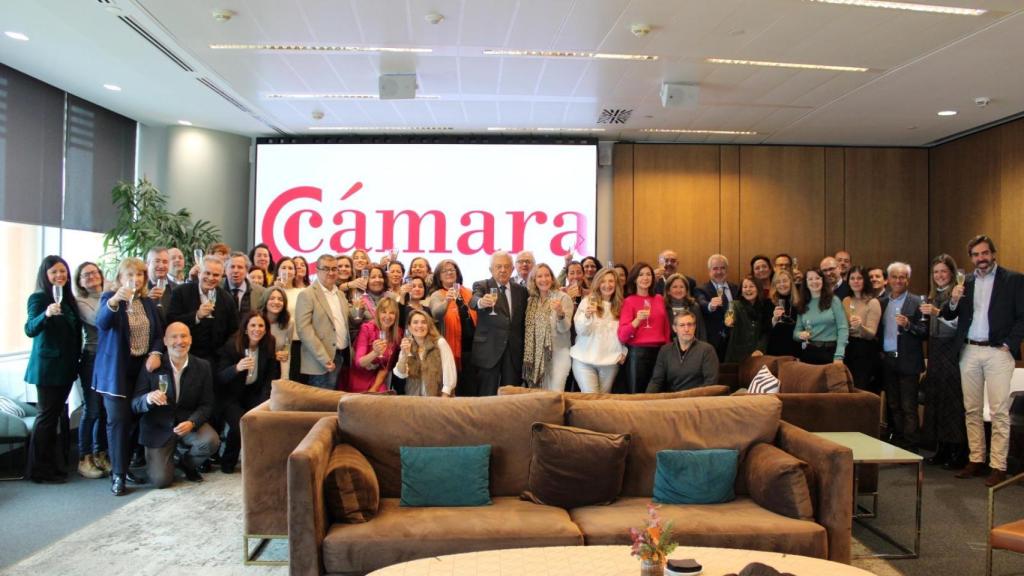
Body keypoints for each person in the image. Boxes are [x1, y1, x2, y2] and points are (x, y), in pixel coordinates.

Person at [943, 235, 1024, 487]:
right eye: (976, 255)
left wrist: (1009, 344)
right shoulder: (964, 282)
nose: (981, 259)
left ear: (993, 253)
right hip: (969, 351)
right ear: (971, 258)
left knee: (999, 412)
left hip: (998, 352)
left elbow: (1022, 316)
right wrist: (954, 299)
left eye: (985, 253)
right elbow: (948, 313)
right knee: (972, 409)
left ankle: (998, 465)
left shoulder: (1013, 280)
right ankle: (976, 459)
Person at [94, 258, 164, 496]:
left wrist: (155, 353)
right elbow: (102, 323)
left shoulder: (147, 302)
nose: (136, 280)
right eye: (130, 275)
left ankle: (125, 464)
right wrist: (114, 300)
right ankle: (118, 476)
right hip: (116, 371)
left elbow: (158, 334)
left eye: (140, 275)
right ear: (120, 278)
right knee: (119, 421)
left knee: (135, 419)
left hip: (142, 370)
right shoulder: (109, 299)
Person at [131, 322, 219, 487]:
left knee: (211, 441)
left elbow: (207, 405)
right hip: (158, 427)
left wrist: (192, 422)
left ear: (191, 339)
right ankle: (167, 459)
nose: (180, 341)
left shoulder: (203, 366)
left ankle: (185, 463)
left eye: (184, 336)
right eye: (174, 337)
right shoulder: (152, 366)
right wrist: (148, 399)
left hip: (186, 422)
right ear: (165, 341)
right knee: (161, 481)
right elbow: (135, 404)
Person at [24, 255, 82, 484]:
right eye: (54, 272)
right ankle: (39, 470)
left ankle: (55, 464)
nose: (60, 276)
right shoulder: (38, 298)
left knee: (57, 416)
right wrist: (46, 314)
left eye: (63, 271)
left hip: (65, 368)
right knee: (46, 418)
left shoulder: (68, 300)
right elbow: (30, 328)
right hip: (48, 369)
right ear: (45, 276)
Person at [216, 311, 279, 473]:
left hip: (254, 392)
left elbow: (270, 377)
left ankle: (257, 460)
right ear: (245, 328)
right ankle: (227, 462)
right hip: (230, 396)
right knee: (239, 426)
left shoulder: (269, 343)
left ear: (265, 329)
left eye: (261, 326)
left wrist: (264, 403)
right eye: (253, 325)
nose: (257, 329)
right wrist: (236, 368)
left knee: (261, 420)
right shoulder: (232, 345)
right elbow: (220, 378)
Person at [920, 254, 967, 470]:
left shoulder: (958, 295)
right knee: (936, 400)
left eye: (943, 271)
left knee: (951, 403)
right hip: (936, 351)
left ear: (951, 273)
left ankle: (956, 451)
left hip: (951, 351)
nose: (939, 275)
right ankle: (940, 449)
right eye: (936, 272)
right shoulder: (933, 296)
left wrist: (938, 313)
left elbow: (958, 326)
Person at [877, 262, 926, 452]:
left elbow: (924, 332)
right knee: (893, 404)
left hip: (909, 361)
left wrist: (908, 326)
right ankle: (899, 441)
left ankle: (912, 445)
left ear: (908, 280)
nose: (898, 280)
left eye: (902, 277)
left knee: (908, 406)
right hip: (887, 360)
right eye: (895, 277)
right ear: (888, 280)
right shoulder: (882, 303)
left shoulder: (917, 302)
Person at [470, 251, 528, 395]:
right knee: (486, 394)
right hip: (489, 350)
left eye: (506, 266)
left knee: (510, 395)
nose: (503, 270)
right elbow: (473, 301)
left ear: (512, 269)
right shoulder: (482, 285)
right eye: (498, 266)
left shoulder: (521, 290)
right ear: (491, 269)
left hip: (513, 351)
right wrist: (482, 302)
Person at [74, 262, 110, 478]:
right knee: (92, 410)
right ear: (79, 281)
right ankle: (84, 457)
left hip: (110, 358)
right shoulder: (80, 301)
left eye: (95, 272)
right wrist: (111, 299)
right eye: (85, 275)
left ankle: (100, 453)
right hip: (92, 358)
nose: (91, 277)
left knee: (105, 410)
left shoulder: (109, 295)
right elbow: (99, 320)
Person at [295, 254, 353, 390]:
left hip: (341, 356)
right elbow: (304, 330)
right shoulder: (307, 294)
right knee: (319, 405)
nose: (331, 272)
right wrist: (323, 357)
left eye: (334, 269)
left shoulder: (340, 294)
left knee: (334, 402)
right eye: (326, 268)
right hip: (321, 361)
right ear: (317, 270)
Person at [167, 255, 238, 363]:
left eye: (216, 275)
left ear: (221, 277)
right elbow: (171, 322)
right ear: (199, 273)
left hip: (216, 360)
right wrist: (197, 316)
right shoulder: (180, 292)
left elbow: (234, 331)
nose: (210, 278)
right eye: (207, 273)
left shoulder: (227, 299)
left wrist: (223, 354)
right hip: (185, 356)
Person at [570, 268, 626, 393]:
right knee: (592, 398)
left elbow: (625, 332)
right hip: (584, 360)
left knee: (603, 401)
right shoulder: (587, 302)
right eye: (603, 281)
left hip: (610, 362)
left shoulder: (621, 305)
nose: (607, 285)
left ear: (616, 284)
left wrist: (624, 350)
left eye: (611, 281)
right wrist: (587, 316)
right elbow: (580, 331)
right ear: (597, 283)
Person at [618, 262, 670, 394]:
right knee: (639, 394)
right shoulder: (628, 301)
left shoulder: (659, 299)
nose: (645, 278)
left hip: (660, 353)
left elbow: (666, 328)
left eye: (648, 274)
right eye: (641, 275)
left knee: (659, 394)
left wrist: (668, 350)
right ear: (634, 279)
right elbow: (622, 335)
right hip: (638, 354)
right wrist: (636, 321)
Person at [427, 259, 477, 395]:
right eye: (444, 270)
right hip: (452, 350)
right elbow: (436, 314)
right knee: (457, 390)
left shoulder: (468, 292)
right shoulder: (437, 295)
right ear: (438, 276)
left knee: (473, 390)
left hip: (473, 349)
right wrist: (447, 301)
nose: (449, 272)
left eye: (452, 270)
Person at [522, 264, 573, 391]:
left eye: (547, 275)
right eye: (539, 276)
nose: (544, 279)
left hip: (559, 355)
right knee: (539, 398)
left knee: (555, 396)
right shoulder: (531, 301)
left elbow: (564, 328)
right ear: (534, 280)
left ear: (552, 277)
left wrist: (560, 313)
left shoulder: (563, 297)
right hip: (537, 357)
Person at [646, 311, 719, 393]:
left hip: (697, 400)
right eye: (682, 325)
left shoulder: (707, 350)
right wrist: (646, 400)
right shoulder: (665, 350)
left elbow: (710, 383)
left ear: (694, 327)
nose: (686, 329)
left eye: (690, 325)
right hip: (673, 400)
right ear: (674, 328)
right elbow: (656, 381)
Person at [393, 309, 457, 397]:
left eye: (423, 322)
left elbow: (450, 373)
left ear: (428, 326)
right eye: (415, 322)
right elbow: (400, 374)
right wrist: (404, 355)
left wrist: (444, 398)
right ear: (409, 327)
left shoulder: (440, 343)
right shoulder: (407, 344)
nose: (420, 325)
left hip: (438, 399)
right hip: (415, 400)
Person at [793, 268, 848, 365]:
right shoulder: (802, 304)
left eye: (817, 278)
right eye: (810, 279)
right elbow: (795, 334)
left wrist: (839, 355)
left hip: (831, 352)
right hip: (809, 352)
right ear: (805, 283)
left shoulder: (834, 300)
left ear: (823, 280)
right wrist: (800, 335)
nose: (814, 281)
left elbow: (843, 328)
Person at [843, 266, 882, 392]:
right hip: (848, 348)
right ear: (848, 281)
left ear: (865, 280)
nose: (855, 281)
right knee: (847, 388)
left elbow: (871, 334)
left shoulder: (873, 302)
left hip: (865, 350)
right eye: (852, 278)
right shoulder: (846, 300)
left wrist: (860, 327)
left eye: (859, 278)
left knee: (860, 389)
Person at [350, 297, 402, 393]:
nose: (387, 316)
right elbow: (359, 363)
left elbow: (386, 367)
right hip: (359, 375)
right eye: (384, 312)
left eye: (392, 313)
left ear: (396, 316)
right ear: (378, 313)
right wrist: (375, 353)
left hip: (376, 377)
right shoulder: (367, 328)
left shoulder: (397, 333)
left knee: (381, 396)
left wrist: (374, 388)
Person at [697, 254, 739, 361]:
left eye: (722, 268)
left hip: (735, 339)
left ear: (727, 270)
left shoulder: (736, 288)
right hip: (714, 342)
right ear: (709, 271)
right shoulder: (701, 289)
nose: (719, 272)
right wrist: (711, 305)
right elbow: (702, 303)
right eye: (715, 268)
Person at [724, 276, 771, 363]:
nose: (748, 289)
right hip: (737, 357)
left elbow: (766, 332)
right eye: (745, 287)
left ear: (758, 289)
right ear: (741, 291)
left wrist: (760, 349)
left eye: (751, 286)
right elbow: (730, 314)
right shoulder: (734, 304)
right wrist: (729, 320)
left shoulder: (765, 307)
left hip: (758, 356)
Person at [273, 257, 305, 382]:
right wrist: (277, 289)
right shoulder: (272, 292)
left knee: (294, 380)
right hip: (275, 343)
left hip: (296, 341)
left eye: (291, 268)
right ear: (278, 271)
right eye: (284, 268)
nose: (287, 271)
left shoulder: (301, 292)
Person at [261, 286, 294, 380]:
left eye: (280, 299)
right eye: (272, 298)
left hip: (275, 370)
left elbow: (286, 351)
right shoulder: (257, 321)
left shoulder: (289, 324)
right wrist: (273, 356)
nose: (276, 302)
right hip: (256, 371)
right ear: (265, 301)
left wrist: (285, 379)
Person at [766, 270, 802, 357]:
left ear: (791, 282)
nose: (782, 284)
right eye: (778, 282)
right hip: (774, 349)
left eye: (785, 281)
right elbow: (764, 330)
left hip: (795, 350)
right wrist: (774, 320)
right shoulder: (768, 302)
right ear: (774, 285)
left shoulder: (800, 302)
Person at [663, 273, 706, 342]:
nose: (679, 290)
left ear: (686, 290)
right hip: (669, 349)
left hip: (693, 348)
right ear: (668, 291)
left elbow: (701, 332)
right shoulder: (663, 308)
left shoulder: (694, 307)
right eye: (675, 287)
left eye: (682, 287)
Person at [146, 247, 175, 321]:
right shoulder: (139, 289)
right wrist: (146, 301)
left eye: (165, 262)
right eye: (157, 261)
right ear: (147, 264)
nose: (161, 265)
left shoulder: (177, 289)